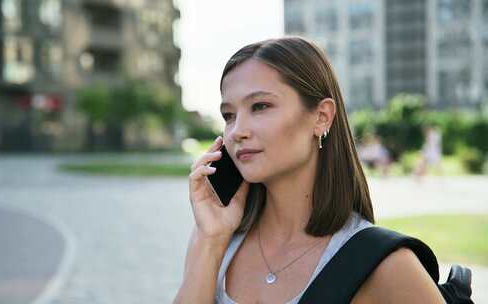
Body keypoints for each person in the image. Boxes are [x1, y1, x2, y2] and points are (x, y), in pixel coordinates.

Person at [173, 37, 445, 303]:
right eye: (229, 115)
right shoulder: (212, 240)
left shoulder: (385, 265)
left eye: (260, 106)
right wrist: (211, 240)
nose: (237, 131)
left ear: (321, 117)